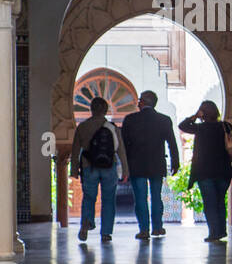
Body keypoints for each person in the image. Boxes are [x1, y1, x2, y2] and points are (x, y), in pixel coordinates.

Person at [121, 90, 181, 240]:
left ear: (143, 102)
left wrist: (124, 166)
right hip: (157, 164)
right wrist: (175, 162)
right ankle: (158, 227)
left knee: (140, 198)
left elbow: (124, 145)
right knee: (156, 197)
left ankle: (144, 230)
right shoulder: (164, 120)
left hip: (136, 165)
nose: (138, 102)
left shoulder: (130, 119)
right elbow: (172, 143)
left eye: (139, 100)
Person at [179, 101, 232, 243]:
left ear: (203, 113)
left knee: (210, 202)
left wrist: (195, 116)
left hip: (205, 172)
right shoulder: (225, 127)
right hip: (223, 171)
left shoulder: (200, 128)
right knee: (219, 201)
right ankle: (221, 230)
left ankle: (214, 232)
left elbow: (182, 126)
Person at [70, 96, 129, 243]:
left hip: (89, 166)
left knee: (89, 197)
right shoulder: (112, 127)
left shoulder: (82, 127)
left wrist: (74, 169)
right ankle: (106, 232)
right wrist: (126, 170)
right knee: (108, 199)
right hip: (109, 166)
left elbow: (75, 149)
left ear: (91, 109)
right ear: (105, 110)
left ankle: (86, 223)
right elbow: (120, 149)